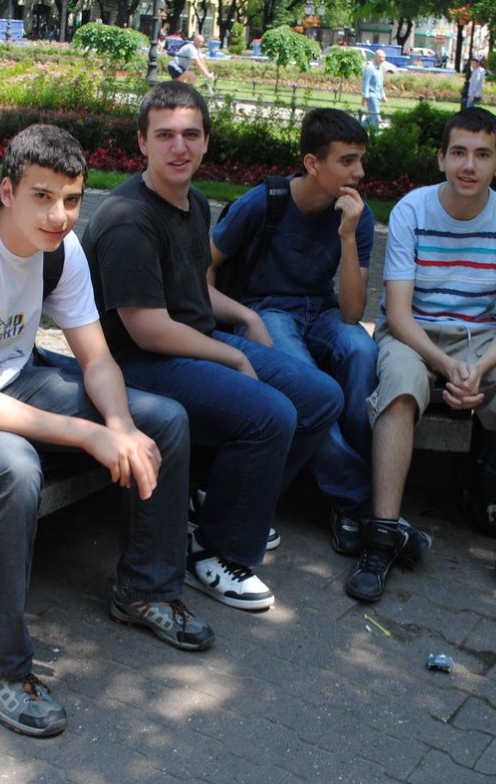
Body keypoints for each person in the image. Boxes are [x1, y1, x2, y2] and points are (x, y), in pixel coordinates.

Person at [0, 124, 214, 738]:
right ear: (7, 191)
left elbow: (97, 360)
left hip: (12, 381)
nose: (59, 216)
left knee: (163, 419)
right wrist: (89, 435)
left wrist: (121, 426)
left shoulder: (62, 249)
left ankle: (146, 590)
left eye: (72, 200)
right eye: (43, 197)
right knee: (13, 466)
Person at [82, 82, 341, 613]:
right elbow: (148, 329)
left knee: (320, 397)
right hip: (138, 362)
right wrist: (234, 354)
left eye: (191, 135)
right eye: (165, 135)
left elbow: (195, 289)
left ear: (205, 142)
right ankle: (217, 553)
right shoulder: (128, 218)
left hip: (195, 341)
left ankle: (223, 507)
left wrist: (246, 316)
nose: (179, 147)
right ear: (142, 143)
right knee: (271, 413)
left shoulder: (195, 202)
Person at [357, 107, 496, 615]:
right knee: (400, 386)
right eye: (459, 153)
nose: (469, 165)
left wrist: (479, 369)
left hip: (482, 339)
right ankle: (382, 536)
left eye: (482, 155)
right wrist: (446, 368)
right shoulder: (412, 210)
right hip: (414, 334)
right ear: (441, 158)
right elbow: (398, 313)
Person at [209, 108, 376, 556]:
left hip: (321, 310)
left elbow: (352, 313)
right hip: (266, 310)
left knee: (361, 351)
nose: (359, 173)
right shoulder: (265, 201)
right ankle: (359, 503)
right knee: (309, 387)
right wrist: (242, 318)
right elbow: (202, 268)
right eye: (347, 161)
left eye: (361, 160)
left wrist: (347, 236)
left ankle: (351, 495)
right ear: (312, 163)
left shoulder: (357, 216)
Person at [360, 49, 387, 127]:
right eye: (380, 57)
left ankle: (358, 128)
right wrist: (364, 97)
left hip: (378, 96)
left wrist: (383, 95)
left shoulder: (379, 69)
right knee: (376, 117)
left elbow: (380, 84)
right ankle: (376, 133)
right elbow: (365, 83)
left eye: (384, 57)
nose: (382, 59)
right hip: (371, 96)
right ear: (375, 57)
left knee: (372, 118)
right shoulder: (369, 68)